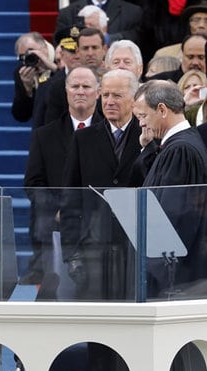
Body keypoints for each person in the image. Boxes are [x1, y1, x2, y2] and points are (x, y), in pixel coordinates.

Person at [60, 68, 142, 301]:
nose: (109, 102)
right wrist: (71, 255)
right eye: (105, 95)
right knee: (97, 331)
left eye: (117, 95)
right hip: (92, 250)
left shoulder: (148, 138)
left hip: (134, 250)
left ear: (134, 100)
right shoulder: (83, 138)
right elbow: (70, 200)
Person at [23, 66, 102, 286]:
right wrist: (57, 209)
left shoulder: (112, 133)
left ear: (98, 91)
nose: (80, 91)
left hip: (98, 230)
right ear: (66, 91)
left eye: (86, 86)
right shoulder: (44, 136)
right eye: (74, 86)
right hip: (55, 228)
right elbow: (33, 184)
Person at [134, 79, 207, 296]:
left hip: (176, 278)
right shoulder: (179, 145)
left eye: (143, 116)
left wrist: (156, 268)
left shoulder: (181, 150)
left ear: (162, 110)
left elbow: (172, 216)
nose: (141, 124)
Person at [11, 31, 58, 129]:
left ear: (45, 47)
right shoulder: (22, 72)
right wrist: (27, 90)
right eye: (24, 57)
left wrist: (53, 68)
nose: (30, 58)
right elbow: (21, 116)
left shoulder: (62, 58)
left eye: (32, 53)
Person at [55, 0, 143, 45]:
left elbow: (138, 37)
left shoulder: (133, 11)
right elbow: (59, 41)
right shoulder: (67, 13)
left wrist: (108, 39)